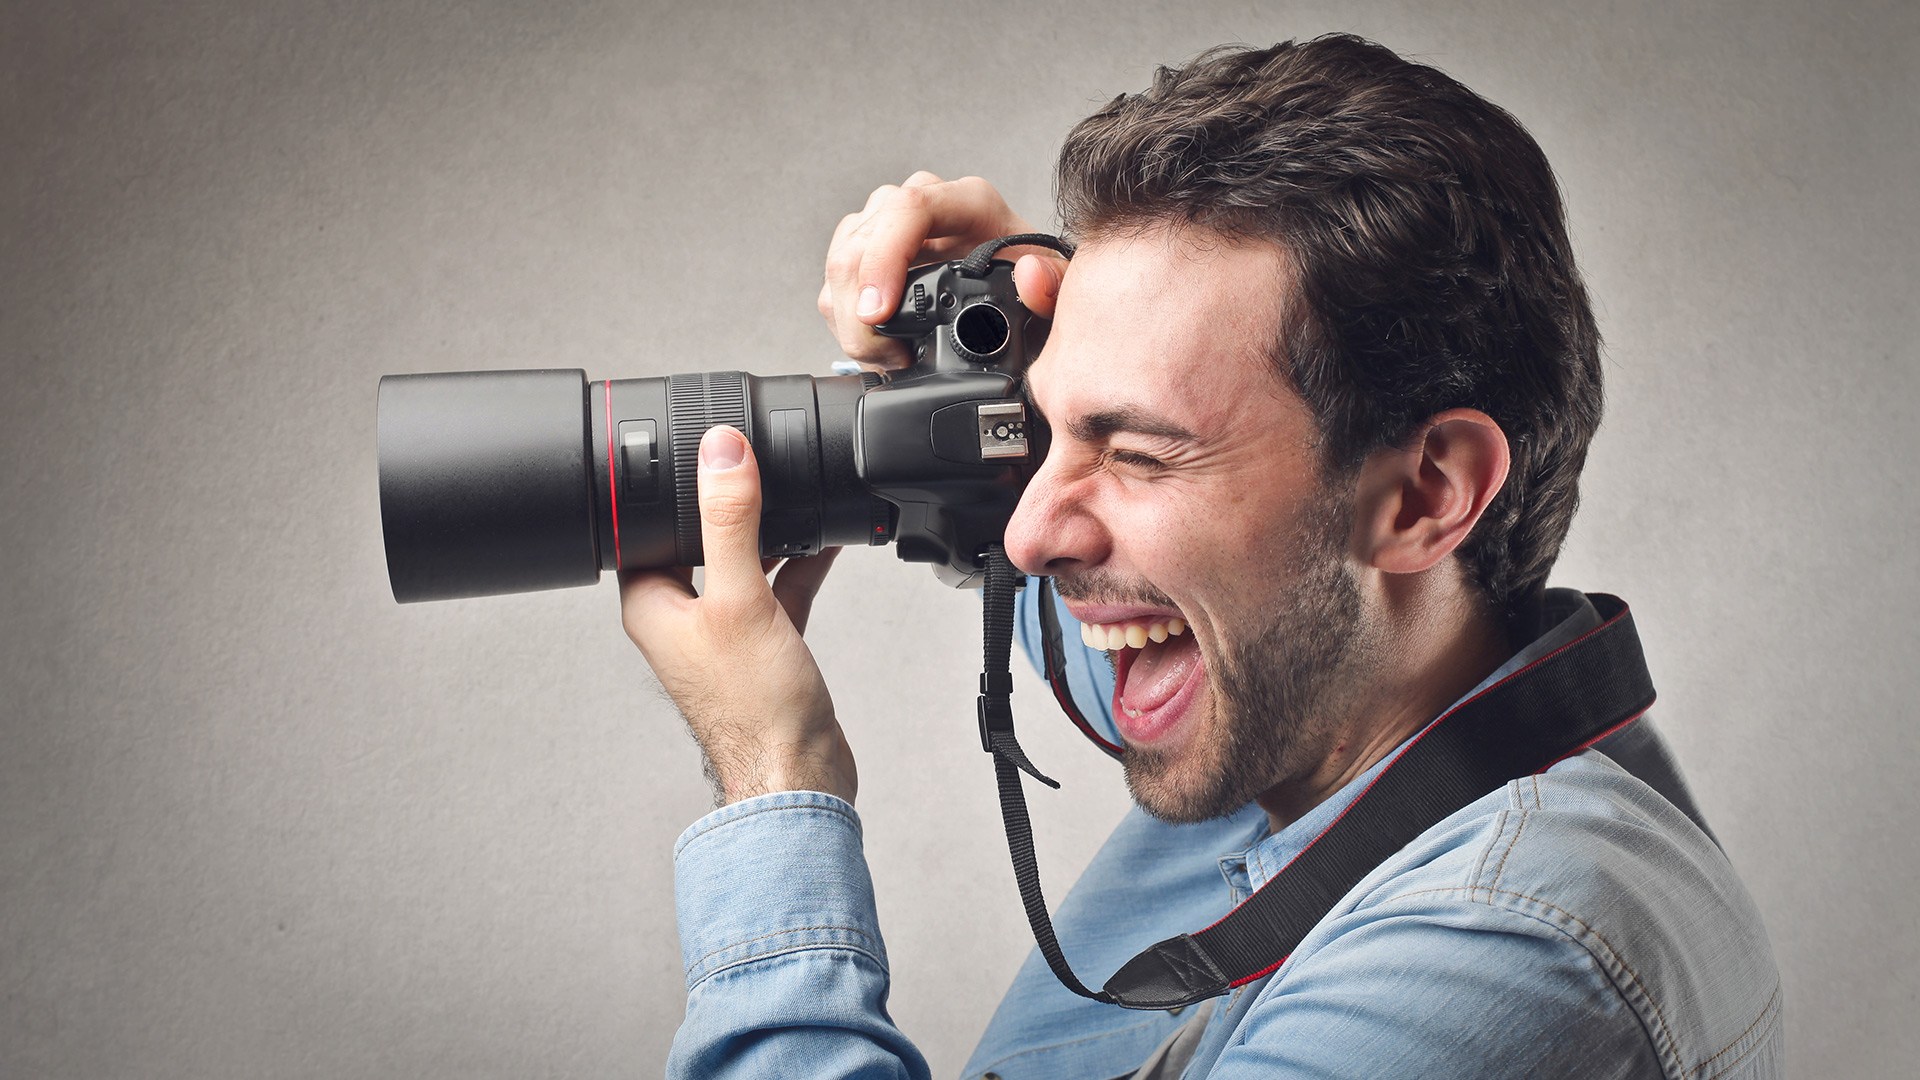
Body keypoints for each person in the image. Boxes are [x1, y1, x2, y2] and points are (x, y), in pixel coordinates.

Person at [619, 35, 1783, 1079]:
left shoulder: (1504, 956)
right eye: (1049, 432)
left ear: (1425, 495)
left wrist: (771, 775)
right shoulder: (1319, 687)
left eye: (1137, 453)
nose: (1025, 534)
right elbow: (1116, 587)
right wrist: (977, 366)